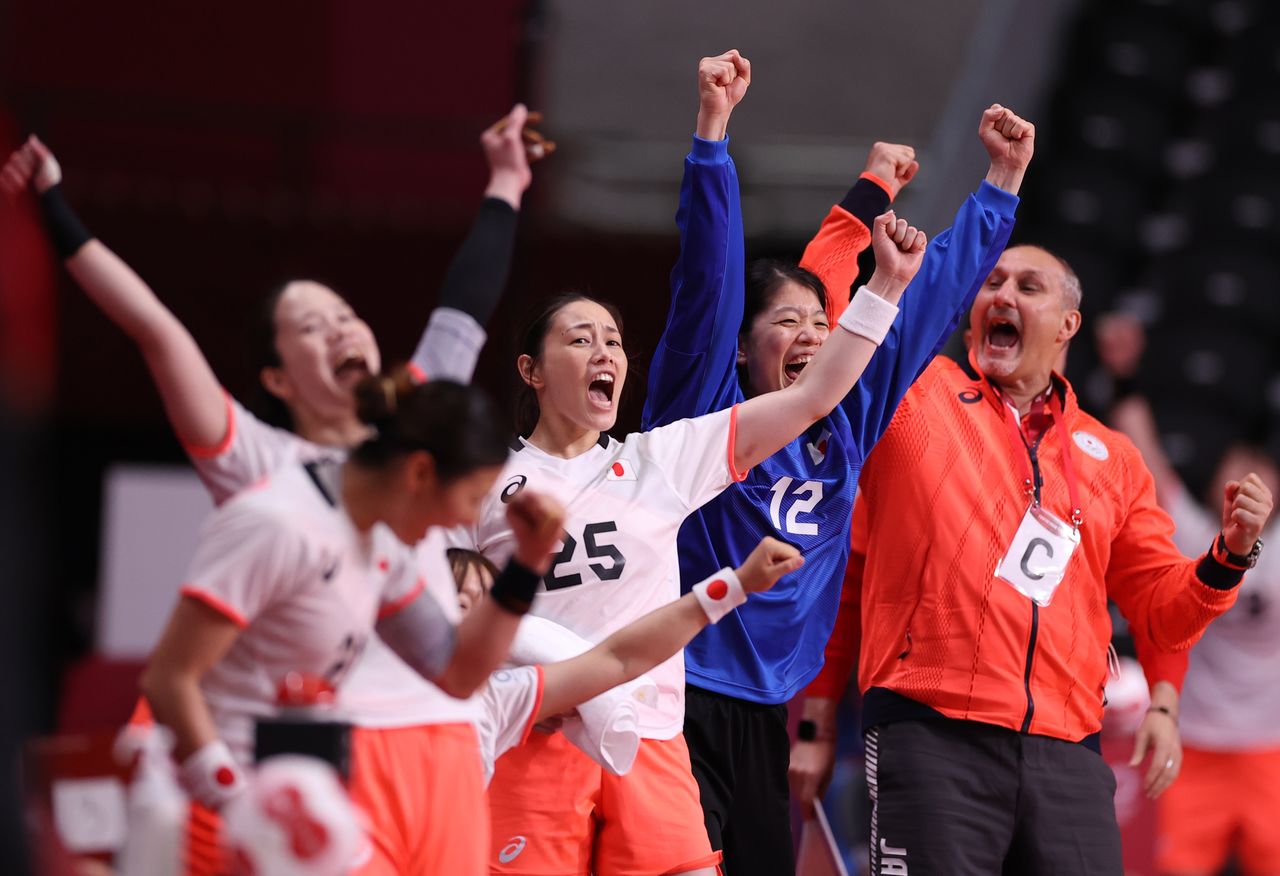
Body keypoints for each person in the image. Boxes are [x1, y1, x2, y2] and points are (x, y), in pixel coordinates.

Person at [1, 106, 542, 875]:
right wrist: (54, 212)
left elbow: (466, 303)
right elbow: (157, 330)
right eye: (313, 327)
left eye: (347, 316)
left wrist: (506, 181)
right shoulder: (265, 473)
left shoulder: (418, 425)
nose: (342, 331)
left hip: (400, 738)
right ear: (278, 378)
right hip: (279, 756)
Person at [458, 50, 930, 874]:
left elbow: (815, 396)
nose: (605, 349)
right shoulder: (483, 485)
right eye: (580, 338)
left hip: (651, 745)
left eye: (613, 338)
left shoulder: (658, 460)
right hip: (532, 740)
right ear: (531, 371)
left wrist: (885, 291)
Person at [641, 49, 1032, 871]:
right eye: (786, 324)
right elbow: (705, 283)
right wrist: (713, 138)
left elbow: (922, 307)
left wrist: (1000, 186)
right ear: (742, 352)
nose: (812, 336)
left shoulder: (845, 420)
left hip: (768, 712)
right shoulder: (701, 416)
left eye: (822, 325)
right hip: (669, 692)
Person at [792, 243, 1273, 874]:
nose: (1004, 295)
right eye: (992, 282)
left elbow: (1165, 614)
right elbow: (826, 322)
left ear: (1067, 325)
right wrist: (817, 720)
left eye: (1028, 285)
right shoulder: (913, 398)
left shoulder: (1114, 460)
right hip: (932, 730)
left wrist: (1228, 557)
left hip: (1067, 750)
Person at [139, 374, 564, 874]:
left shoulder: (382, 541)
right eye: (472, 498)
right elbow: (168, 678)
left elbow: (457, 674)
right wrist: (233, 797)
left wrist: (527, 564)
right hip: (207, 808)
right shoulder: (276, 524)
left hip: (282, 808)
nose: (465, 521)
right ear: (421, 472)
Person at [1098, 314, 1280, 876]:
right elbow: (1145, 451)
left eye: (1262, 470)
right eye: (1237, 468)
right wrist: (1123, 377)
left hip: (1271, 751)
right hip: (1192, 745)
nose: (1249, 478)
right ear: (1216, 482)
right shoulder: (1195, 536)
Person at [448, 538, 804, 782]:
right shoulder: (395, 691)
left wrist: (737, 583)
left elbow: (619, 659)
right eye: (462, 603)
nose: (482, 618)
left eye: (490, 604)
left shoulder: (499, 699)